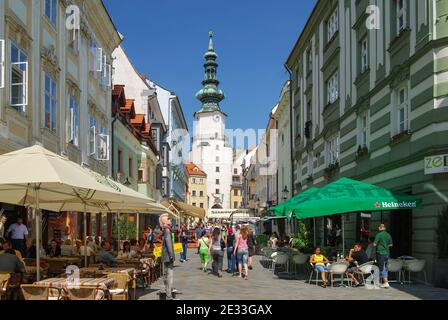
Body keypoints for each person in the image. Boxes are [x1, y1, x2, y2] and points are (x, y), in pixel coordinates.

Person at [160, 213, 175, 300]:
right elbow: (169, 243)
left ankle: (167, 292)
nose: (170, 220)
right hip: (168, 256)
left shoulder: (166, 230)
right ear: (165, 221)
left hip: (165, 256)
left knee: (166, 275)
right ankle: (168, 294)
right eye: (168, 219)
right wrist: (172, 255)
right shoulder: (167, 231)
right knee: (169, 275)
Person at [374, 224, 393, 288]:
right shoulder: (388, 235)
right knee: (385, 267)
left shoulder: (379, 234)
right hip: (387, 253)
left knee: (382, 268)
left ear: (380, 228)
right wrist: (385, 246)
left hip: (380, 252)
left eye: (379, 227)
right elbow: (391, 245)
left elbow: (374, 244)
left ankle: (385, 282)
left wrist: (380, 245)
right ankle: (379, 282)